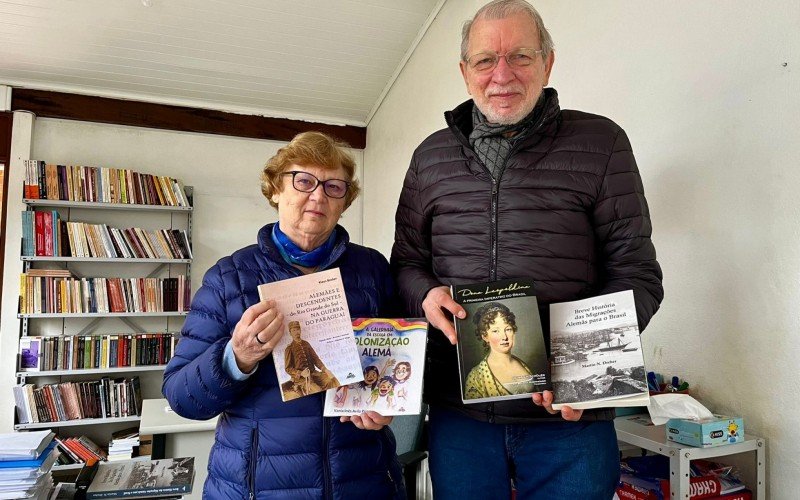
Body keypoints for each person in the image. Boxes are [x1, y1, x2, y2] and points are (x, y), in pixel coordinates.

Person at [390, 0, 664, 498]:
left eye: (520, 56)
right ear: (464, 71)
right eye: (484, 60)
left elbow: (637, 274)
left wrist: (582, 376)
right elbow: (407, 263)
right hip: (460, 416)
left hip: (569, 420)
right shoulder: (430, 156)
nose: (502, 75)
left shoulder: (601, 143)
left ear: (548, 62)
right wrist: (425, 294)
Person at [163, 131, 404, 499]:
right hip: (258, 486)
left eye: (333, 186)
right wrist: (236, 357)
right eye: (304, 181)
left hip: (362, 479)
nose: (318, 195)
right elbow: (182, 397)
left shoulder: (372, 269)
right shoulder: (228, 278)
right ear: (275, 189)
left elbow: (402, 361)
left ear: (344, 201)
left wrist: (388, 406)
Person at [463, 302, 534, 399]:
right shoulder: (476, 377)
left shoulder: (522, 364)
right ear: (485, 336)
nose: (504, 337)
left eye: (508, 329)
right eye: (496, 331)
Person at [282, 320, 340, 398]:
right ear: (290, 333)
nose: (296, 332)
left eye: (298, 329)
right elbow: (288, 368)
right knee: (317, 390)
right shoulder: (289, 348)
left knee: (332, 380)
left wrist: (325, 370)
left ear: (300, 330)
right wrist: (300, 373)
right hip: (302, 379)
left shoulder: (306, 344)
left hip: (314, 373)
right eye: (294, 330)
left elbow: (316, 359)